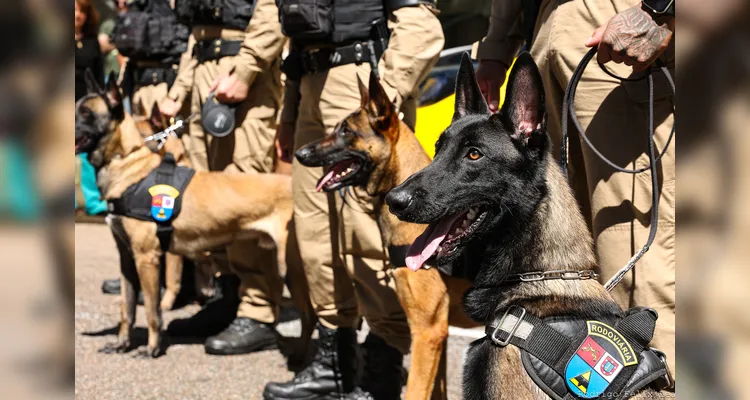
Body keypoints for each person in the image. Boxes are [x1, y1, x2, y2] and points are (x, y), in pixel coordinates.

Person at [474, 0, 675, 384]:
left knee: (638, 268)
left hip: (620, 23)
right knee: (567, 283)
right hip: (545, 32)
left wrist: (661, 10)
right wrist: (497, 45)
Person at [263, 0, 444, 398]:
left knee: (366, 237)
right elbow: (298, 33)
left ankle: (383, 359)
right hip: (310, 79)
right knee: (315, 235)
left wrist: (382, 100)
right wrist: (290, 112)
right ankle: (336, 359)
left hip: (362, 82)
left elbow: (422, 27)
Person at [158, 0, 286, 355]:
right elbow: (195, 34)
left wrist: (245, 71)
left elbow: (272, 12)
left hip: (245, 69)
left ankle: (258, 311)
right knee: (207, 197)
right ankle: (229, 296)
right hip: (203, 69)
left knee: (243, 193)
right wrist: (178, 91)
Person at [75, 0, 104, 100]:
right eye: (74, 10)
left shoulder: (92, 42)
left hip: (87, 100)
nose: (78, 15)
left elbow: (99, 74)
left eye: (82, 11)